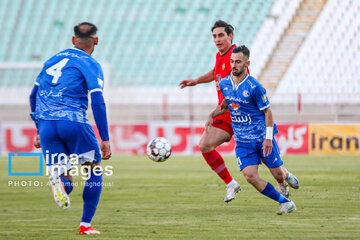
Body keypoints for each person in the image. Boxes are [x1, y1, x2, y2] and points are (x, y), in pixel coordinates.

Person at [179, 20, 298, 202]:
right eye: (214, 36)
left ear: (230, 36)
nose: (217, 39)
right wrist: (196, 81)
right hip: (227, 113)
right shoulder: (221, 57)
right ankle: (232, 183)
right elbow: (215, 73)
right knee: (205, 145)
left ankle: (283, 177)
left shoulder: (235, 58)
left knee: (268, 160)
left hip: (243, 114)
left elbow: (244, 84)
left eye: (221, 35)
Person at [29, 22, 111, 234]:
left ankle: (59, 183)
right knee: (94, 171)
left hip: (47, 125)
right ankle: (85, 224)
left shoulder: (52, 60)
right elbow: (98, 101)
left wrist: (38, 128)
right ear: (96, 41)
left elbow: (33, 95)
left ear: (73, 40)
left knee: (66, 180)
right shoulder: (90, 63)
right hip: (73, 121)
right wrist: (105, 137)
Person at [206, 45, 298, 214]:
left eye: (238, 62)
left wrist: (268, 138)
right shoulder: (225, 83)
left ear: (247, 63)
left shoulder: (254, 87)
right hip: (243, 141)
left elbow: (268, 112)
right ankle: (285, 202)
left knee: (277, 174)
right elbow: (225, 104)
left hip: (262, 138)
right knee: (250, 176)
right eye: (232, 61)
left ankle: (284, 177)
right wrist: (212, 114)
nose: (234, 65)